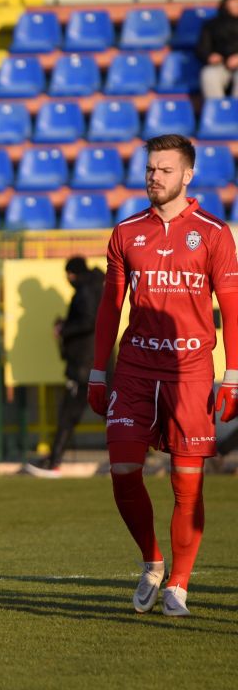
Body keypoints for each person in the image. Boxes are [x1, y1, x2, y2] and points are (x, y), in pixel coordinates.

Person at [87, 134, 238, 617]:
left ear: (188, 175)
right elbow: (111, 307)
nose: (155, 177)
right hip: (133, 369)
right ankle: (152, 560)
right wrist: (96, 371)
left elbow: (232, 307)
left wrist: (232, 374)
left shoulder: (213, 233)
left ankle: (179, 582)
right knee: (124, 470)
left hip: (190, 372)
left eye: (165, 170)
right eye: (151, 169)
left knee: (186, 482)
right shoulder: (126, 232)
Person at [23, 256, 105, 478]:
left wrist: (64, 329)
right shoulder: (96, 287)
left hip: (84, 363)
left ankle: (53, 462)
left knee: (68, 414)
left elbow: (88, 322)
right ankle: (133, 459)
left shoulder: (86, 291)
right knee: (113, 412)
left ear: (73, 273)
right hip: (97, 361)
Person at [197, 0, 238, 99]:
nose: (237, 4)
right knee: (208, 74)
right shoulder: (212, 24)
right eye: (233, 0)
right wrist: (210, 56)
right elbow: (202, 48)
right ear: (225, 2)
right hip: (220, 67)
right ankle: (218, 112)